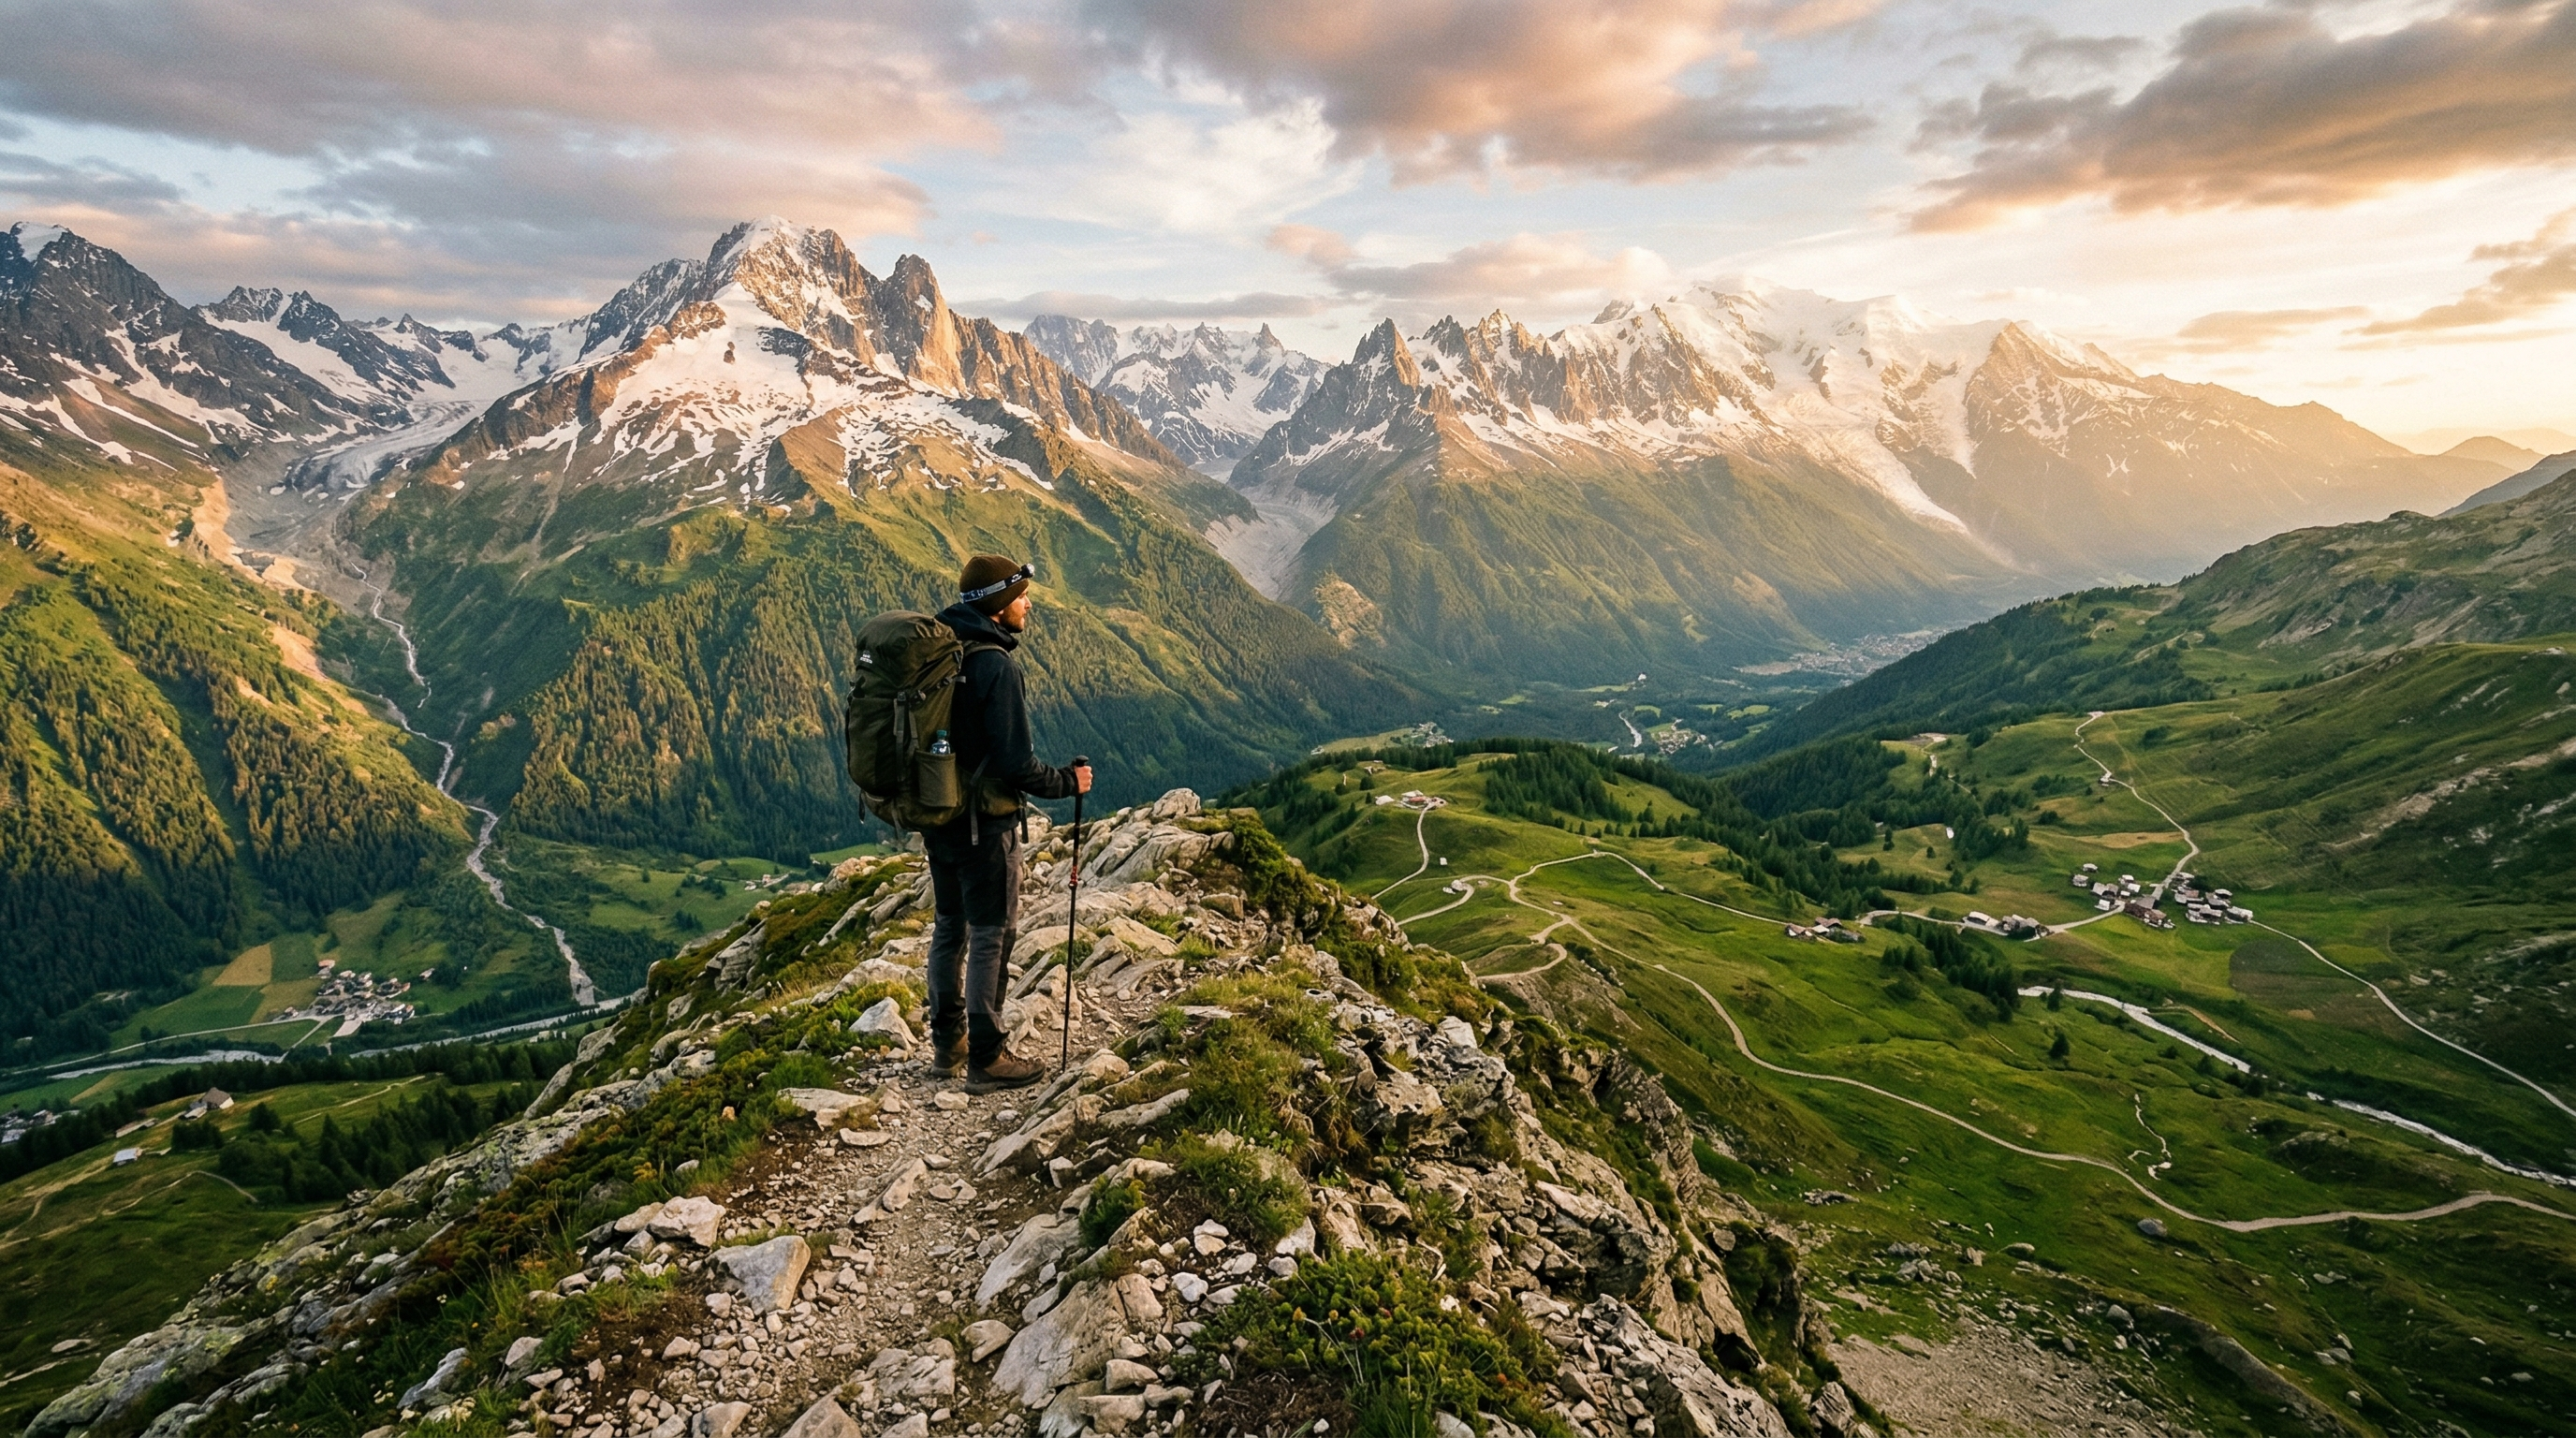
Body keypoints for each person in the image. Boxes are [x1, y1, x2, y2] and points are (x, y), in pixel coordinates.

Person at [924, 553, 1092, 1090]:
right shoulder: (996, 665)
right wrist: (1070, 782)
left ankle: (948, 1047)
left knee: (950, 928)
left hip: (941, 817)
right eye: (1020, 596)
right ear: (997, 605)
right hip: (985, 827)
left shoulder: (944, 651)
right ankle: (987, 1058)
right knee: (992, 935)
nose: (1029, 604)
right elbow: (1016, 765)